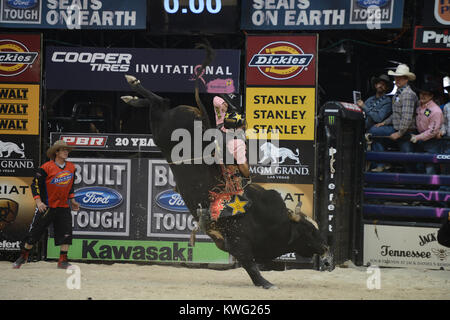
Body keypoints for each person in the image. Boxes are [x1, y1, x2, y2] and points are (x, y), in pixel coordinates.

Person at [12, 140, 80, 269]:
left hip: (63, 207)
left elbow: (71, 186)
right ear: (56, 152)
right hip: (47, 206)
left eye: (67, 150)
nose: (66, 152)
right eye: (63, 150)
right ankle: (23, 257)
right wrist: (38, 202)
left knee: (66, 234)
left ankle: (62, 261)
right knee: (34, 234)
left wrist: (72, 200)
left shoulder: (71, 167)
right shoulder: (46, 167)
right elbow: (35, 184)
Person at [368, 64, 418, 172]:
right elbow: (396, 114)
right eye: (396, 77)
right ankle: (382, 163)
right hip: (398, 128)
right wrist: (384, 123)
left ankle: (414, 184)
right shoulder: (398, 94)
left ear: (406, 79)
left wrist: (399, 133)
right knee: (374, 131)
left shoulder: (408, 94)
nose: (397, 80)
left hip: (406, 131)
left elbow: (407, 117)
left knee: (408, 159)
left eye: (400, 78)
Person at [409, 83, 443, 174]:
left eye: (426, 94)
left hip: (432, 142)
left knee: (430, 167)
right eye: (421, 93)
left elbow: (433, 131)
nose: (422, 96)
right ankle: (423, 186)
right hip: (422, 140)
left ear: (431, 96)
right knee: (420, 165)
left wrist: (417, 137)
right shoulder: (420, 108)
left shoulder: (436, 111)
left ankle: (432, 187)